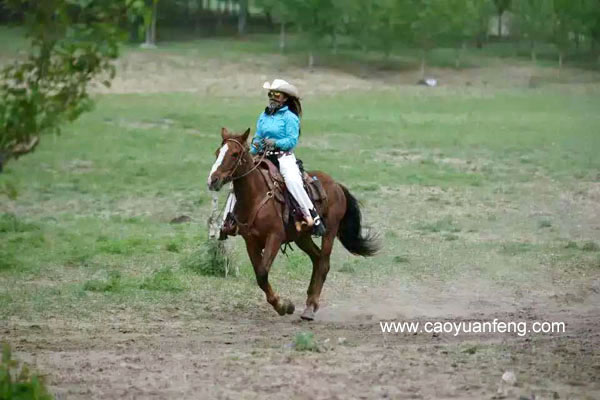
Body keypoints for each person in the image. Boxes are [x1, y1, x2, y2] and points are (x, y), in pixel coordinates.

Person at [219, 79, 326, 239]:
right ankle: (226, 221)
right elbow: (258, 136)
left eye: (277, 94)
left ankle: (312, 216)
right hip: (262, 156)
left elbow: (291, 140)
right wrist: (252, 149)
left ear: (285, 98)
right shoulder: (264, 115)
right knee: (239, 180)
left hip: (283, 157)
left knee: (292, 181)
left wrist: (275, 142)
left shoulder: (290, 117)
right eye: (270, 94)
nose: (272, 97)